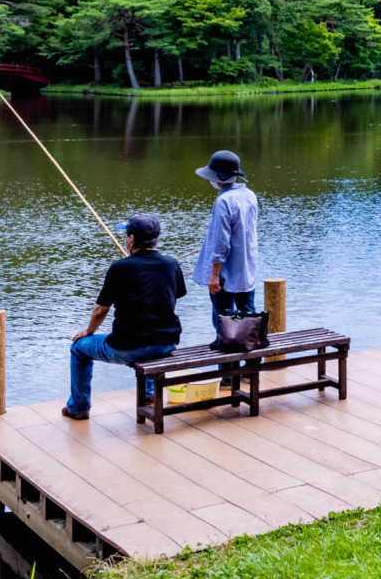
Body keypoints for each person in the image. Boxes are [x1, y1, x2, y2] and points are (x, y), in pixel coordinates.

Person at [63, 213, 185, 421]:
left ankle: (79, 407)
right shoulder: (171, 264)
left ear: (131, 240)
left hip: (128, 348)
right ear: (157, 239)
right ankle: (147, 395)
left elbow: (101, 310)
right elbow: (171, 298)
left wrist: (88, 332)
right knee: (149, 339)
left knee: (79, 348)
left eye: (127, 235)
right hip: (166, 343)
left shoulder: (119, 268)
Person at [194, 149, 258, 315]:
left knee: (222, 317)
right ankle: (253, 341)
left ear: (217, 178)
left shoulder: (223, 201)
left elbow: (221, 240)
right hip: (245, 266)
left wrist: (215, 275)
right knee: (249, 314)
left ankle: (224, 342)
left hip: (226, 270)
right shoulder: (249, 195)